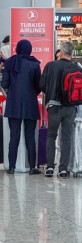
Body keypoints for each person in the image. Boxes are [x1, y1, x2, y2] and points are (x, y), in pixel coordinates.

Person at [1, 39, 42, 175]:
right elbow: (38, 86)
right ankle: (31, 167)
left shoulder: (9, 62)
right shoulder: (35, 64)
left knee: (14, 136)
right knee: (30, 136)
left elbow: (4, 84)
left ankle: (11, 167)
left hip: (13, 103)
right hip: (30, 103)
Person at [40, 41, 77, 178]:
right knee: (66, 137)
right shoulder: (77, 67)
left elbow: (42, 85)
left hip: (54, 106)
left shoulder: (50, 66)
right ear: (72, 54)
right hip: (70, 108)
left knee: (51, 135)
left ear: (60, 52)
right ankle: (63, 169)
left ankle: (50, 167)